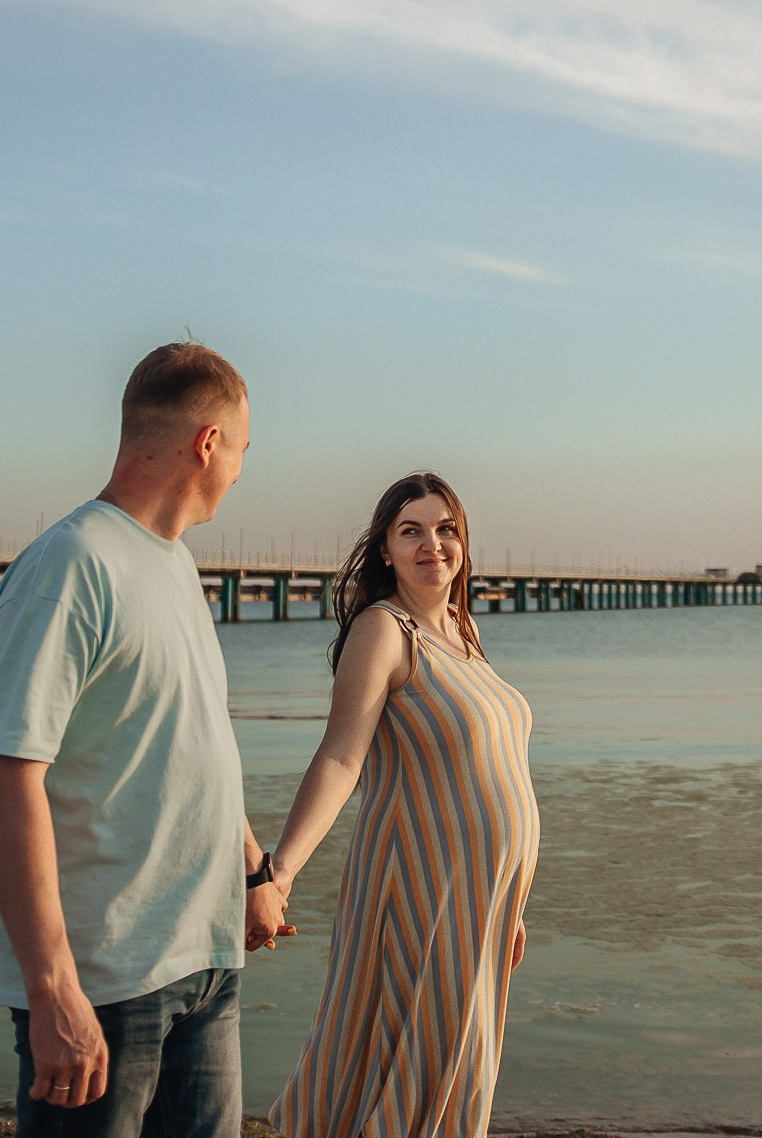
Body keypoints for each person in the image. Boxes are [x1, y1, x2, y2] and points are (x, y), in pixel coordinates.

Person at [0, 342, 289, 1137]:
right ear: (207, 443)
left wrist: (252, 868)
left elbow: (187, 738)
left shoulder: (176, 565)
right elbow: (7, 781)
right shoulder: (71, 564)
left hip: (205, 959)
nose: (241, 471)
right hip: (106, 979)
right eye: (243, 449)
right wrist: (53, 991)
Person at [268, 472, 540, 1138]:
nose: (432, 545)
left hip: (478, 896)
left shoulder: (462, 630)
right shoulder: (383, 630)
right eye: (411, 531)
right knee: (406, 1060)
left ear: (464, 544)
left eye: (446, 529)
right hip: (418, 888)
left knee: (457, 1062)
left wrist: (511, 903)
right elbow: (341, 758)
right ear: (385, 550)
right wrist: (280, 871)